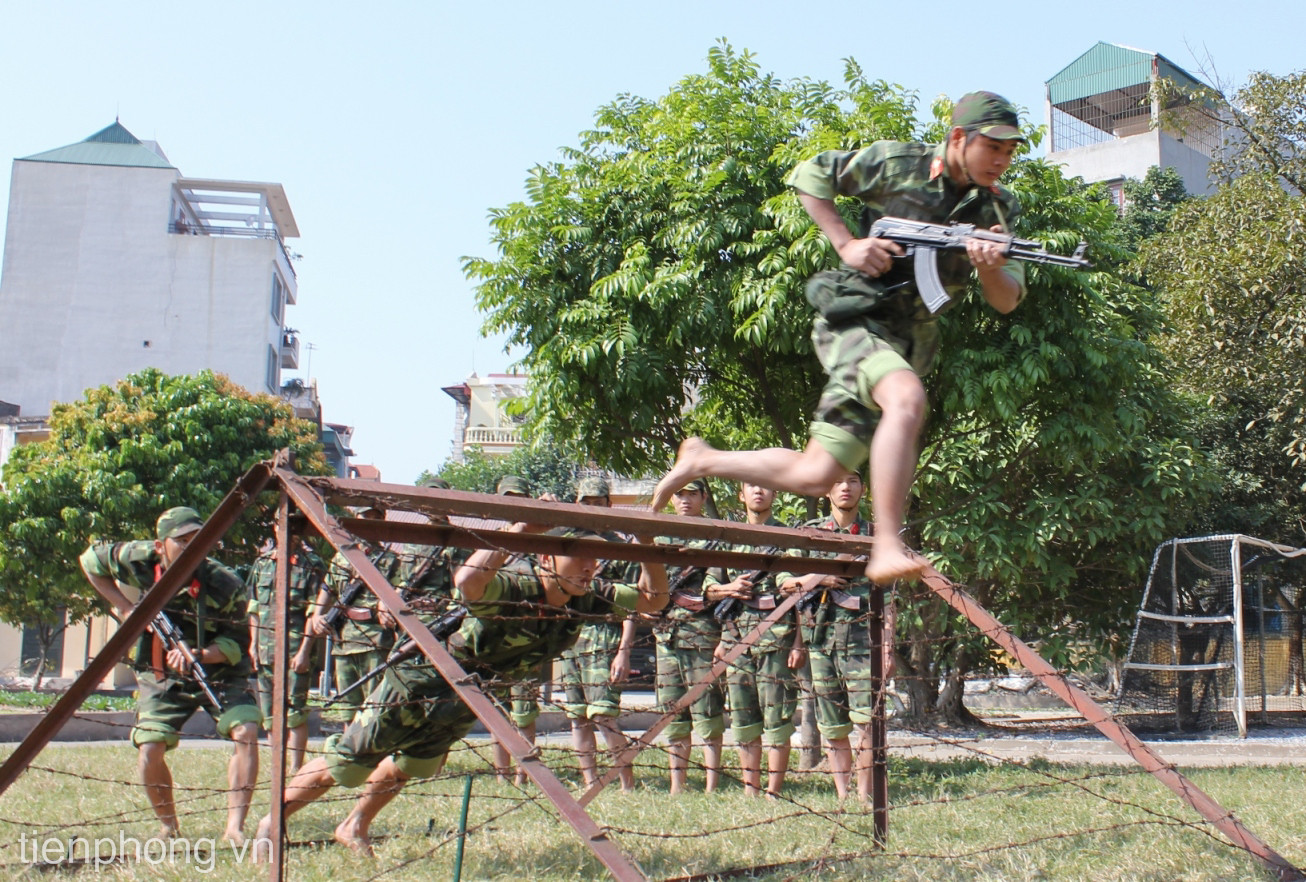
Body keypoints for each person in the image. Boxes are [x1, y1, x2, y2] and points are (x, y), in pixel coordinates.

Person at [651, 91, 1028, 586]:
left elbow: (1007, 299)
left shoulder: (998, 211)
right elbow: (810, 175)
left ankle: (704, 458)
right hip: (855, 321)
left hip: (905, 342)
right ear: (959, 137)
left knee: (815, 475)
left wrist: (990, 268)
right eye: (992, 147)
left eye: (1011, 150)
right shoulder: (899, 164)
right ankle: (888, 543)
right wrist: (847, 243)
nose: (1002, 160)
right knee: (907, 398)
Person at [254, 522, 668, 856]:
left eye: (594, 562)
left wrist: (648, 548)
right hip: (422, 678)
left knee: (415, 763)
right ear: (545, 558)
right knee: (350, 759)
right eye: (579, 559)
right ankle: (273, 821)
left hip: (472, 692)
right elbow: (467, 583)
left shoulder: (586, 597)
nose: (589, 568)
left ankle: (354, 825)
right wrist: (520, 525)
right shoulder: (514, 586)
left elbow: (653, 601)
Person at [79, 506, 261, 843]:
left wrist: (200, 654)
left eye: (199, 540)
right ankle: (168, 826)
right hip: (161, 671)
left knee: (246, 731)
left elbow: (238, 641)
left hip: (220, 670)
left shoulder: (225, 582)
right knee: (149, 746)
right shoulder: (138, 557)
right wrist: (125, 606)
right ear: (161, 545)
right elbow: (90, 560)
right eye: (183, 541)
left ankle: (234, 827)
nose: (193, 547)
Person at [776, 472, 879, 801]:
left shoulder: (875, 534)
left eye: (852, 481)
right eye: (837, 481)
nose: (845, 488)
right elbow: (784, 581)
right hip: (820, 640)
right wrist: (819, 579)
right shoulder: (809, 533)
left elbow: (889, 597)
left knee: (867, 721)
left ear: (863, 489)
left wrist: (888, 645)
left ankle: (864, 795)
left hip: (864, 640)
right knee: (832, 725)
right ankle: (842, 795)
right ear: (826, 490)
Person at [704, 483, 804, 798]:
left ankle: (773, 793)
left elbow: (798, 594)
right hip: (736, 639)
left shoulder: (786, 538)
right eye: (751, 487)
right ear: (741, 495)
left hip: (776, 639)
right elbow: (708, 586)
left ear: (775, 495)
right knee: (743, 717)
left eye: (765, 487)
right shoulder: (729, 538)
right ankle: (751, 790)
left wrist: (799, 641)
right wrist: (730, 588)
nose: (758, 492)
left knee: (777, 716)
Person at [558, 476, 640, 790]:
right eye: (586, 502)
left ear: (608, 504)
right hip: (571, 633)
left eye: (598, 502)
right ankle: (590, 781)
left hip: (604, 632)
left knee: (604, 715)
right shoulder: (566, 541)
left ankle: (627, 783)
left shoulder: (618, 546)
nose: (592, 508)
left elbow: (633, 602)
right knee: (577, 716)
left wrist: (624, 649)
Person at [654, 478, 727, 795]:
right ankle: (676, 786)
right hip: (665, 635)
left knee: (707, 713)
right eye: (679, 494)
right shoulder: (657, 536)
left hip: (701, 634)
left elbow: (716, 583)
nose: (685, 500)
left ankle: (712, 786)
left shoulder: (713, 537)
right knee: (673, 714)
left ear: (703, 497)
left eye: (692, 494)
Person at [305, 504, 398, 724]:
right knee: (349, 712)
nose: (369, 523)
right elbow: (328, 589)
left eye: (375, 518)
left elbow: (399, 595)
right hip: (344, 642)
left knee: (375, 711)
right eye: (364, 517)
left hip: (375, 642)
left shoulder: (392, 560)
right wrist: (318, 615)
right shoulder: (342, 558)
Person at [245, 535, 325, 774]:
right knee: (269, 714)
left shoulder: (311, 564)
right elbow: (254, 607)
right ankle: (277, 766)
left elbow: (314, 611)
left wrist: (304, 650)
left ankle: (295, 768)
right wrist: (254, 643)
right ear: (275, 528)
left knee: (295, 713)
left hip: (294, 651)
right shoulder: (262, 564)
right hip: (266, 650)